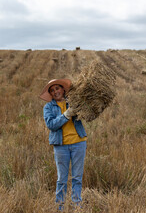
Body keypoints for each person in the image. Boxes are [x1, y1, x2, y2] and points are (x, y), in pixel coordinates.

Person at [39, 79, 87, 211]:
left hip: (79, 143)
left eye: (57, 88)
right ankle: (60, 206)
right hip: (61, 145)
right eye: (52, 90)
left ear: (63, 89)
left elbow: (87, 112)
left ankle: (77, 205)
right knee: (62, 178)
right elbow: (51, 125)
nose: (55, 92)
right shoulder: (48, 107)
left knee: (77, 177)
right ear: (51, 94)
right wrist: (66, 115)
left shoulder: (73, 102)